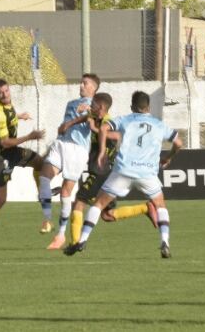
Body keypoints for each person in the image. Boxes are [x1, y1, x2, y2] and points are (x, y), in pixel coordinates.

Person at [66, 90, 182, 259]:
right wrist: (168, 157)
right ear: (148, 106)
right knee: (160, 205)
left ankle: (82, 240)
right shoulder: (159, 124)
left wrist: (101, 153)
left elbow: (104, 128)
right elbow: (178, 142)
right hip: (147, 173)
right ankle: (165, 242)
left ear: (132, 106)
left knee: (98, 205)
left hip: (123, 171)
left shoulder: (125, 119)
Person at [60, 92, 155, 249]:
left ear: (102, 107)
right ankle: (145, 208)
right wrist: (68, 124)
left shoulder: (107, 120)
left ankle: (75, 242)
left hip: (102, 170)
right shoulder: (94, 115)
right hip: (108, 172)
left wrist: (95, 130)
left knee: (79, 201)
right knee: (107, 215)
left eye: (93, 105)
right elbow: (85, 117)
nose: (91, 107)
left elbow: (118, 136)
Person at [0, 79, 46, 249]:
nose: (5, 94)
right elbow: (5, 142)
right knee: (0, 199)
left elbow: (10, 116)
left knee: (40, 163)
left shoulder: (7, 106)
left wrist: (20, 116)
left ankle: (41, 195)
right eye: (0, 93)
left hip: (11, 151)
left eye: (6, 91)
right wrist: (30, 136)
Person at [43, 73, 101, 250]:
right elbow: (65, 124)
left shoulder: (96, 105)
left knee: (66, 193)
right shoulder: (71, 103)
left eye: (85, 83)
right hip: (62, 144)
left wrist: (90, 110)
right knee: (44, 178)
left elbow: (98, 118)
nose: (81, 85)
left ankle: (60, 235)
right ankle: (46, 220)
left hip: (77, 150)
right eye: (81, 82)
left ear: (94, 88)